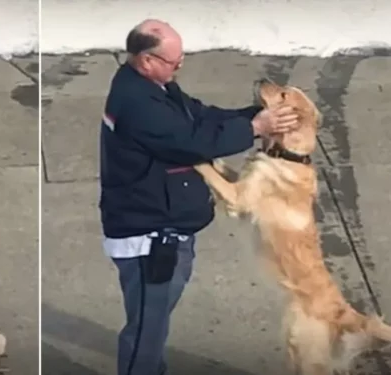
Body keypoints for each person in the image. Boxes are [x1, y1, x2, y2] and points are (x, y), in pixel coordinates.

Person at [98, 19, 300, 375]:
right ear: (147, 60)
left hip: (166, 231)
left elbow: (200, 118)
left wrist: (256, 117)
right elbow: (192, 143)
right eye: (174, 62)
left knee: (153, 323)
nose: (180, 66)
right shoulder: (137, 103)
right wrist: (255, 129)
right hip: (150, 240)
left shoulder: (154, 87)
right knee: (147, 330)